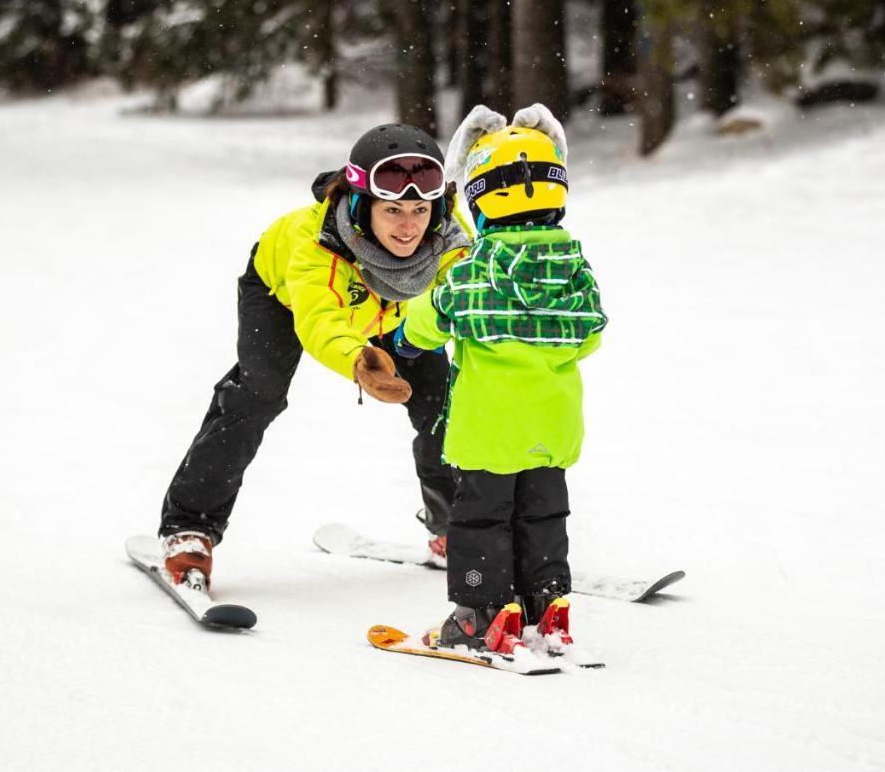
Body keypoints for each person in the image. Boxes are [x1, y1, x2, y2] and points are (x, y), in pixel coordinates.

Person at [158, 123, 472, 587]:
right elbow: (320, 321)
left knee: (444, 405)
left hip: (394, 312)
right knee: (257, 394)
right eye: (392, 210)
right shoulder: (315, 243)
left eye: (419, 210)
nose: (408, 226)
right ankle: (189, 526)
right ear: (364, 205)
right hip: (281, 297)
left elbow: (468, 291)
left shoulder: (448, 235)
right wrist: (360, 362)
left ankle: (454, 526)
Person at [394, 104, 607, 653]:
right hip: (552, 427)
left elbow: (427, 321)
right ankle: (547, 604)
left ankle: (481, 609)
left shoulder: (471, 272)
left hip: (489, 429)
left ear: (481, 199)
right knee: (543, 514)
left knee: (482, 519)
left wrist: (405, 342)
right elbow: (590, 338)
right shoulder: (576, 269)